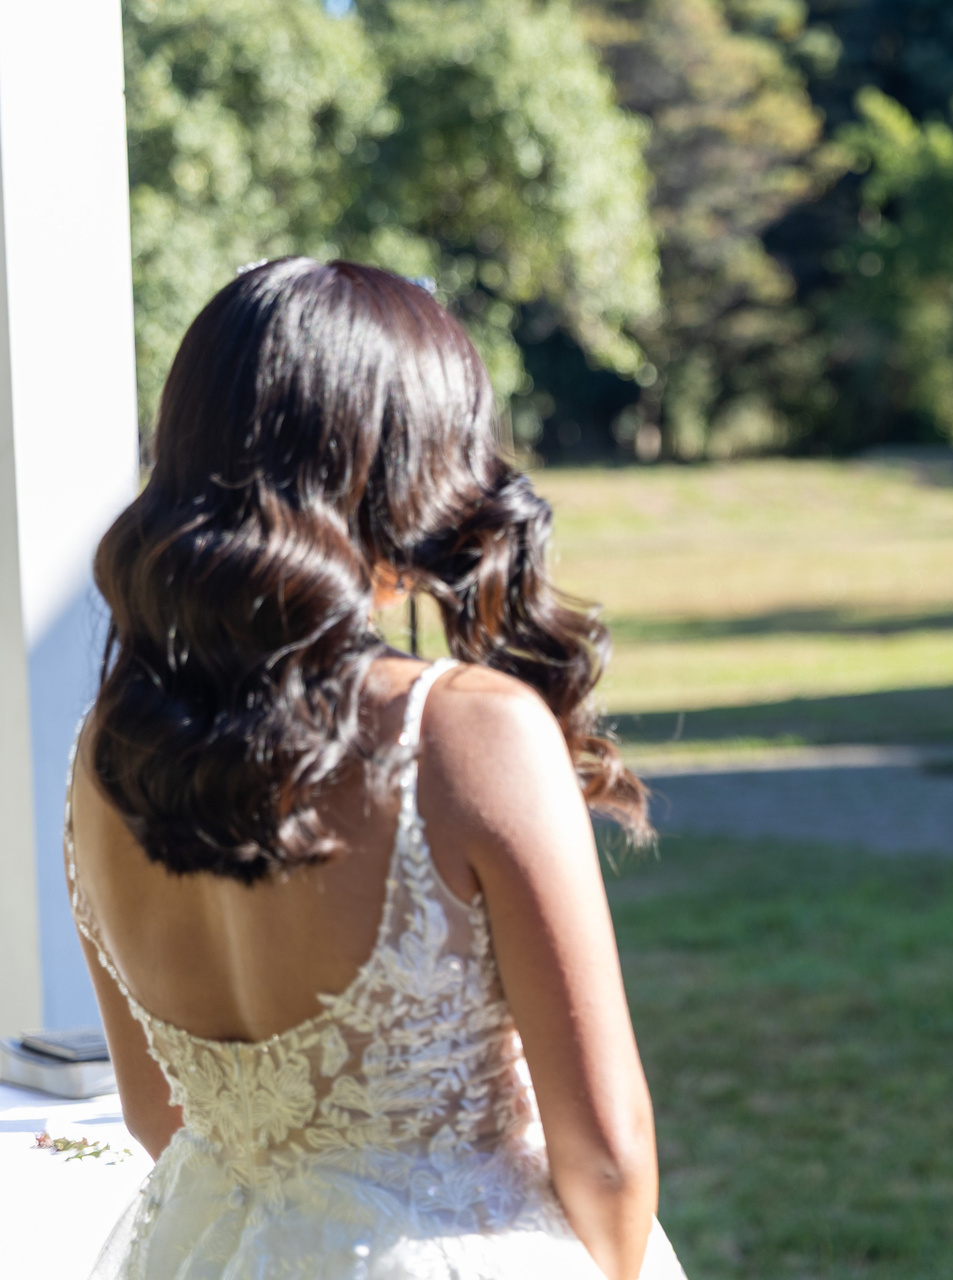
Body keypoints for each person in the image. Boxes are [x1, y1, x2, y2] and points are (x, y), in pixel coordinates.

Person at [66, 260, 686, 1280]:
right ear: (407, 468)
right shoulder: (463, 733)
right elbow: (608, 1158)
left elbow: (156, 1115)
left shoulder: (108, 751)